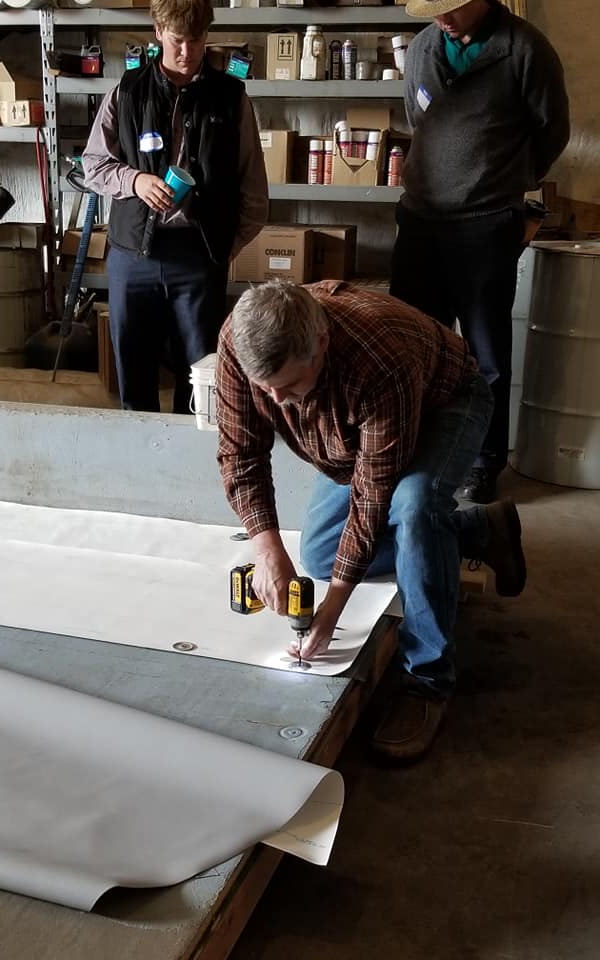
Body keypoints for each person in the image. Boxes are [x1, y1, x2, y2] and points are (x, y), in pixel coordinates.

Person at [216, 279, 527, 762]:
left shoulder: (380, 357)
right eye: (265, 389)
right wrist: (267, 549)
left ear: (319, 344)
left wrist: (332, 612)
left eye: (289, 386)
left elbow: (371, 496)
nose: (277, 402)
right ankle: (479, 530)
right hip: (352, 431)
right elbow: (240, 454)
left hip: (445, 401)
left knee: (416, 507)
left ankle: (427, 679)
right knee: (320, 555)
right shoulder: (240, 340)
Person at [390, 0, 570, 504]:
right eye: (434, 9)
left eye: (451, 8)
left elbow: (552, 129)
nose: (441, 17)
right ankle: (418, 449)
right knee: (415, 345)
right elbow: (416, 117)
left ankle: (483, 462)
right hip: (421, 219)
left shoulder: (524, 49)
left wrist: (502, 178)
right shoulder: (425, 46)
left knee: (485, 353)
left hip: (485, 223)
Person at [82, 0, 268, 414]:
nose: (186, 52)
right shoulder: (127, 93)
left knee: (201, 378)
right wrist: (134, 180)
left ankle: (191, 461)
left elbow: (253, 192)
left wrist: (221, 249)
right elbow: (92, 165)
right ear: (158, 31)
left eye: (197, 41)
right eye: (177, 40)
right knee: (134, 373)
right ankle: (140, 463)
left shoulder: (231, 99)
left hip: (198, 259)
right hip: (133, 257)